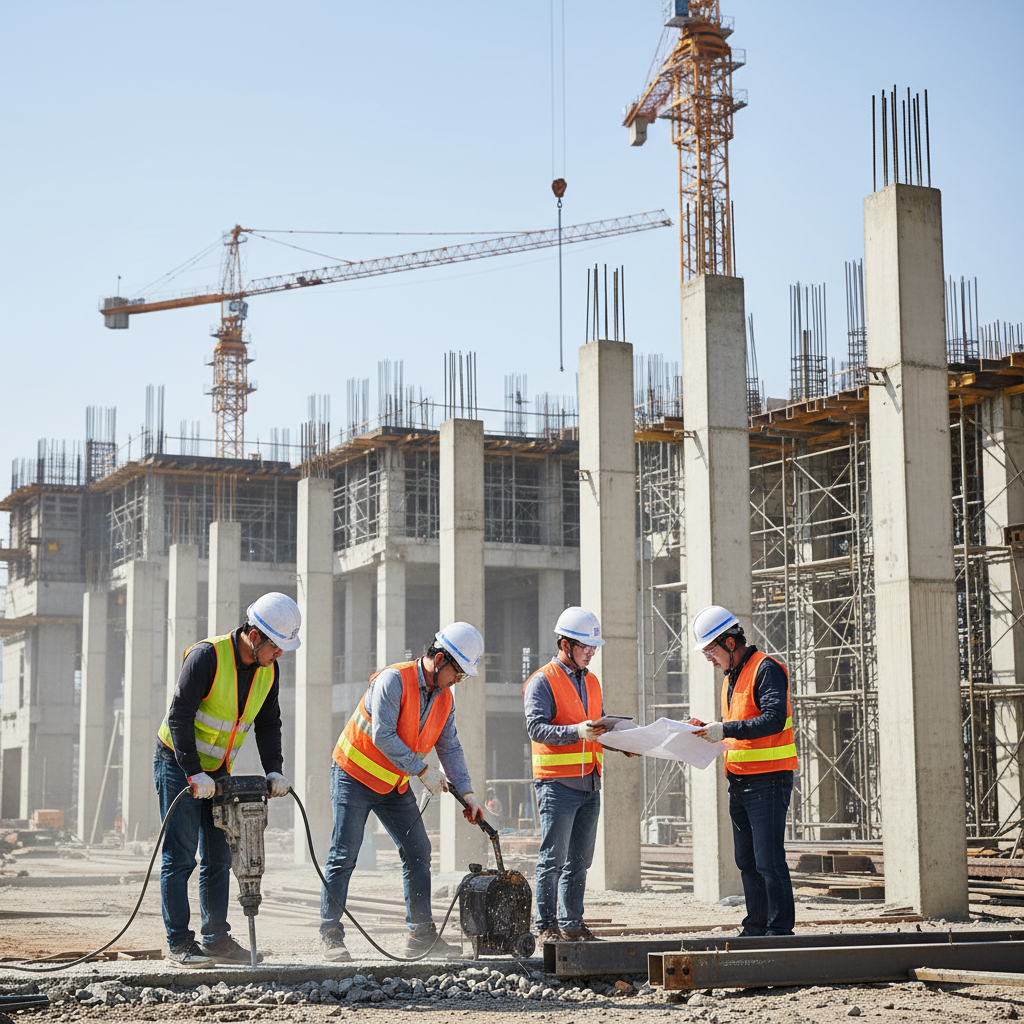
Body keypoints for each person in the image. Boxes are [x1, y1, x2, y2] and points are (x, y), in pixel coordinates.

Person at [320, 622, 487, 962]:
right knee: (344, 853)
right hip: (354, 775)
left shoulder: (444, 699)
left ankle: (420, 934)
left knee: (418, 850)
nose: (458, 680)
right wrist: (423, 771)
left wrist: (467, 793)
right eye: (458, 672)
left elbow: (450, 747)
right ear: (440, 660)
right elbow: (383, 736)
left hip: (393, 784)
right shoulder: (393, 681)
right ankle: (330, 933)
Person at [154, 592, 300, 967]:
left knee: (218, 857)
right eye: (276, 646)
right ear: (254, 636)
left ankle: (216, 939)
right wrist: (192, 771)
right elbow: (179, 716)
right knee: (181, 856)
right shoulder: (207, 656)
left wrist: (275, 770)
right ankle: (180, 944)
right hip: (178, 763)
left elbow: (268, 724)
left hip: (217, 771)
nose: (280, 654)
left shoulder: (269, 670)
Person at [523, 607, 639, 945]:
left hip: (590, 781)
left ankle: (571, 925)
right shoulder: (542, 681)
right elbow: (536, 728)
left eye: (594, 647)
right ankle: (545, 927)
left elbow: (597, 728)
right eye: (586, 647)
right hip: (557, 784)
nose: (591, 653)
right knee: (553, 859)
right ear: (565, 644)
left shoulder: (592, 681)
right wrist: (577, 731)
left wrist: (623, 742)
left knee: (580, 860)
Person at [689, 605, 797, 937]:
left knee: (768, 860)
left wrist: (725, 729)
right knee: (747, 861)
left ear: (730, 642)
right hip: (740, 780)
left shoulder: (766, 669)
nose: (709, 658)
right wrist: (708, 730)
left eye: (711, 650)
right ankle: (755, 927)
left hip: (768, 779)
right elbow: (739, 727)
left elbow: (772, 719)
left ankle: (779, 931)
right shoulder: (732, 678)